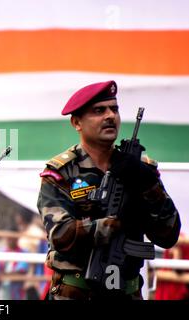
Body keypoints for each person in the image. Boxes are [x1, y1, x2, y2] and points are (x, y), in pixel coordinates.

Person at [37, 80, 181, 300]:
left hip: (127, 292)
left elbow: (168, 235)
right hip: (76, 292)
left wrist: (148, 184)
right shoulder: (62, 172)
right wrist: (115, 224)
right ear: (77, 122)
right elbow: (61, 235)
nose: (110, 116)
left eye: (114, 109)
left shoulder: (142, 170)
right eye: (98, 111)